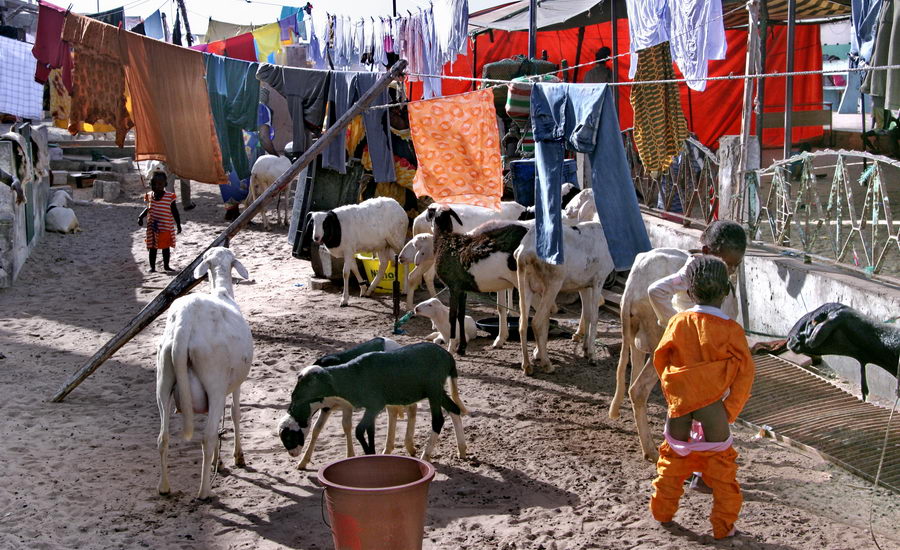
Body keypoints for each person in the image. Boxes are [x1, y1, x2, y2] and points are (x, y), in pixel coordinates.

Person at [649, 255, 755, 539]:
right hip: (713, 411)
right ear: (726, 291)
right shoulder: (732, 331)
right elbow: (745, 376)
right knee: (723, 474)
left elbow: (661, 360)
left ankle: (662, 512)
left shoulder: (678, 322)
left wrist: (676, 394)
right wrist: (728, 411)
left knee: (671, 463)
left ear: (690, 292)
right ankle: (723, 528)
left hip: (680, 408)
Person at [138, 172, 182, 273]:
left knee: (165, 248)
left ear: (165, 184)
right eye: (154, 184)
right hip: (152, 228)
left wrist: (178, 224)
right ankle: (152, 267)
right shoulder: (149, 196)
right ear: (150, 184)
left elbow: (175, 212)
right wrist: (140, 217)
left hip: (165, 227)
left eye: (160, 184)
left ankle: (166, 266)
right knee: (152, 248)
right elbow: (148, 208)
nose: (156, 186)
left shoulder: (170, 197)